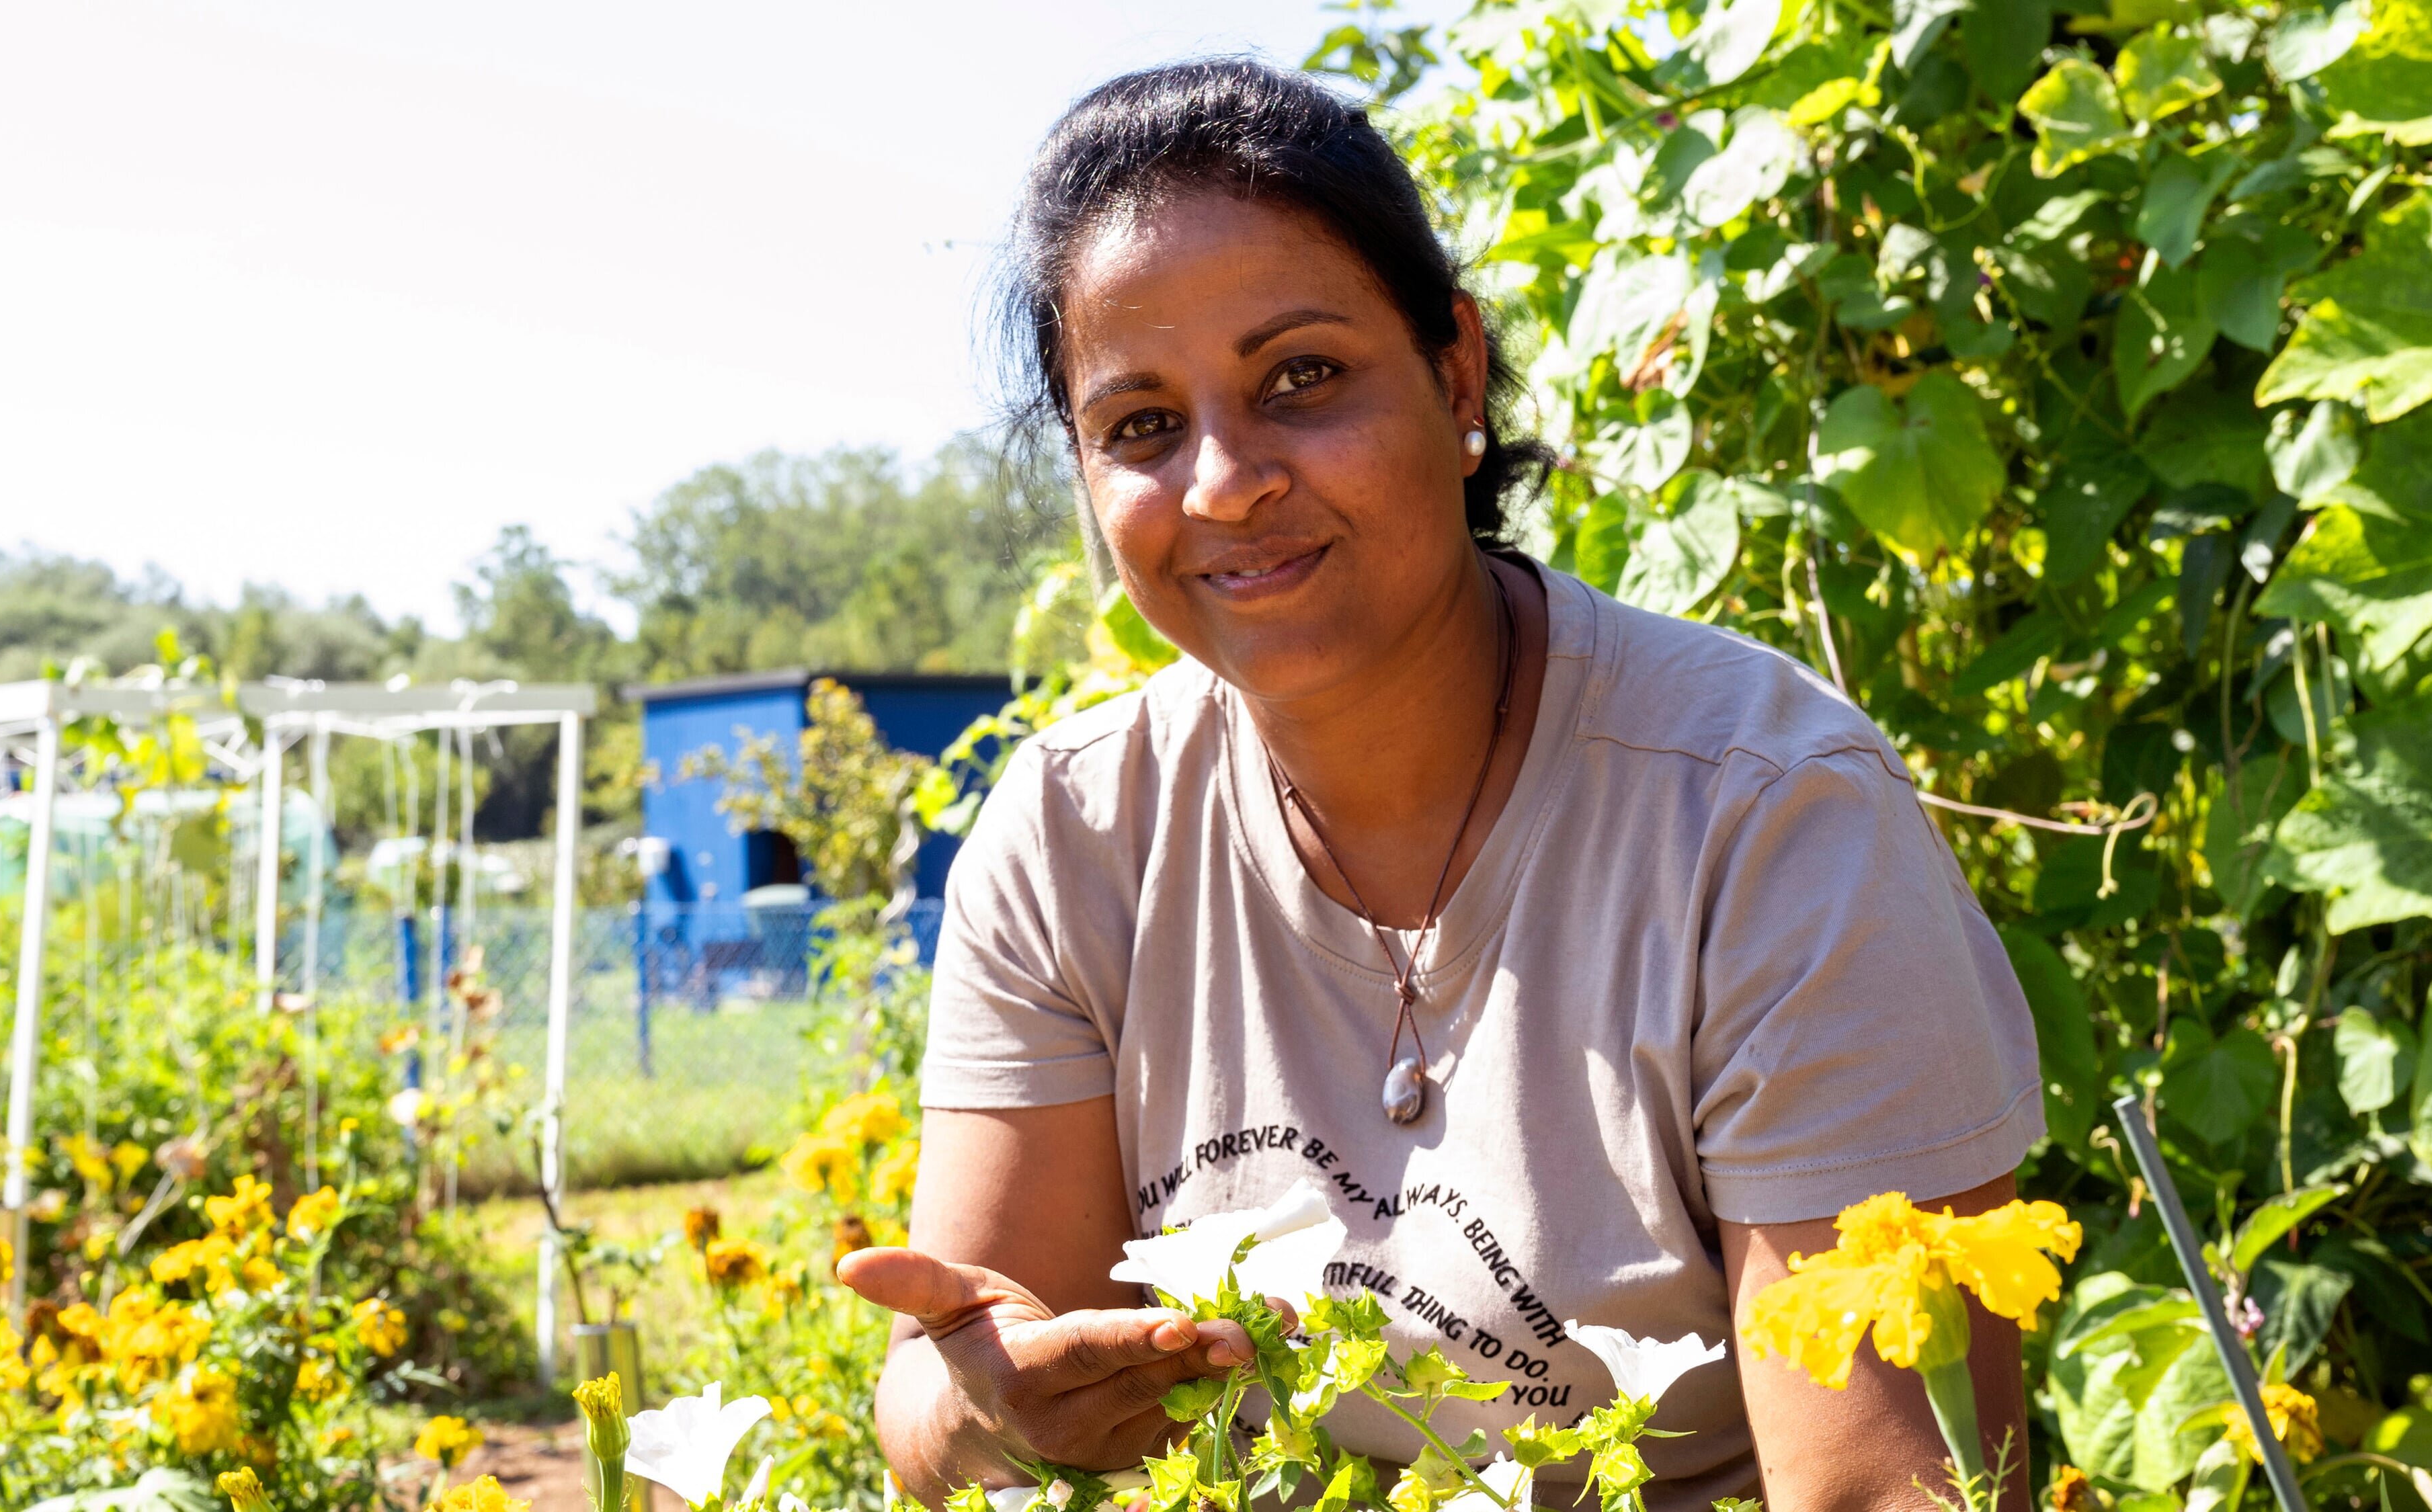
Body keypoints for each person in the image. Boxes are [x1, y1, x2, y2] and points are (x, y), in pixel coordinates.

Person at [837, 59, 2043, 1512]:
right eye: (1141, 425)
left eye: (1302, 377)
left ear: (1454, 375)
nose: (1223, 482)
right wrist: (998, 1407)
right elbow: (934, 1385)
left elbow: (1884, 1490)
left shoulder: (1764, 816)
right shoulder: (1073, 836)